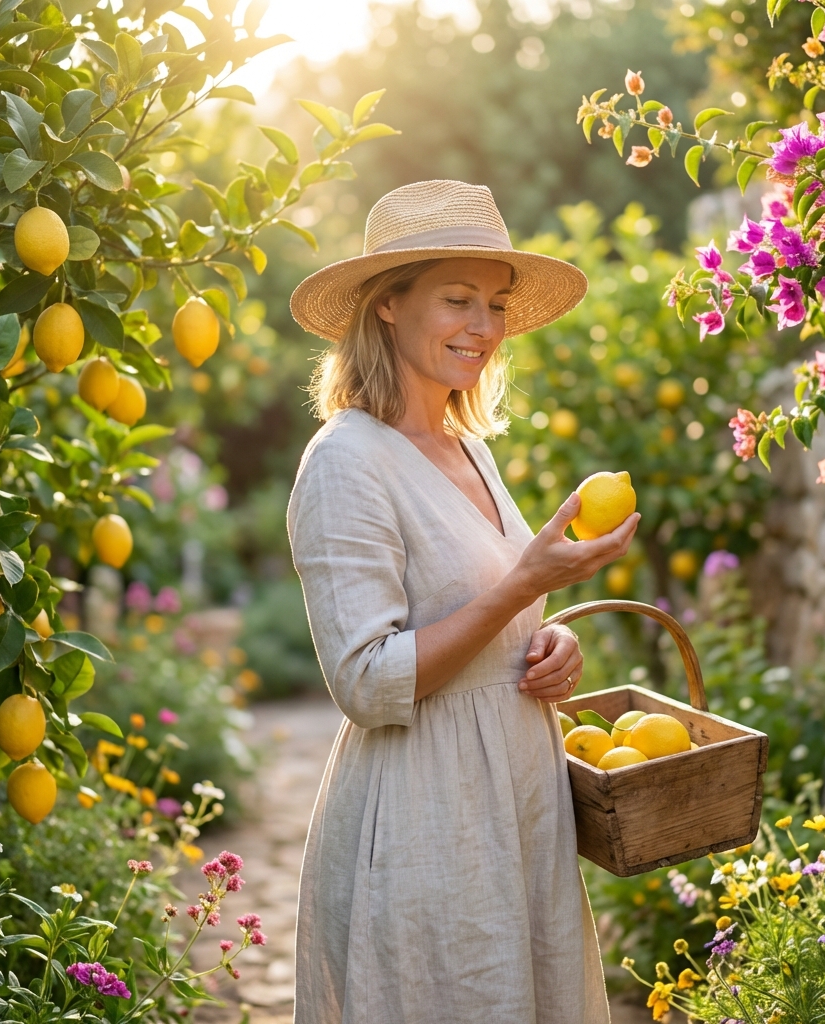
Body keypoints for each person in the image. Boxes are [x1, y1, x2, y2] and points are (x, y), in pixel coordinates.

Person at [287, 179, 639, 1024]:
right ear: (386, 307)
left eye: (495, 304)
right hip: (425, 816)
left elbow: (493, 613)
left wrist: (549, 642)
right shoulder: (347, 461)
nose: (483, 327)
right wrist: (529, 583)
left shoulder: (466, 447)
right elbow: (368, 682)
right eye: (456, 300)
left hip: (513, 803)